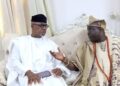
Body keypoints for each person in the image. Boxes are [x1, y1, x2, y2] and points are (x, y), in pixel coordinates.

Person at [50, 17, 120, 86]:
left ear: (100, 29)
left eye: (91, 30)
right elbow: (76, 67)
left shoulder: (115, 43)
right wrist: (63, 59)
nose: (88, 33)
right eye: (88, 30)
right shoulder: (85, 47)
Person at [6, 14, 70, 86]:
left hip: (51, 76)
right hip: (30, 76)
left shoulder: (51, 44)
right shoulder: (19, 42)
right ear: (32, 25)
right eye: (41, 25)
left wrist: (60, 69)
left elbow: (59, 62)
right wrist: (27, 72)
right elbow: (14, 61)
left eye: (45, 26)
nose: (44, 28)